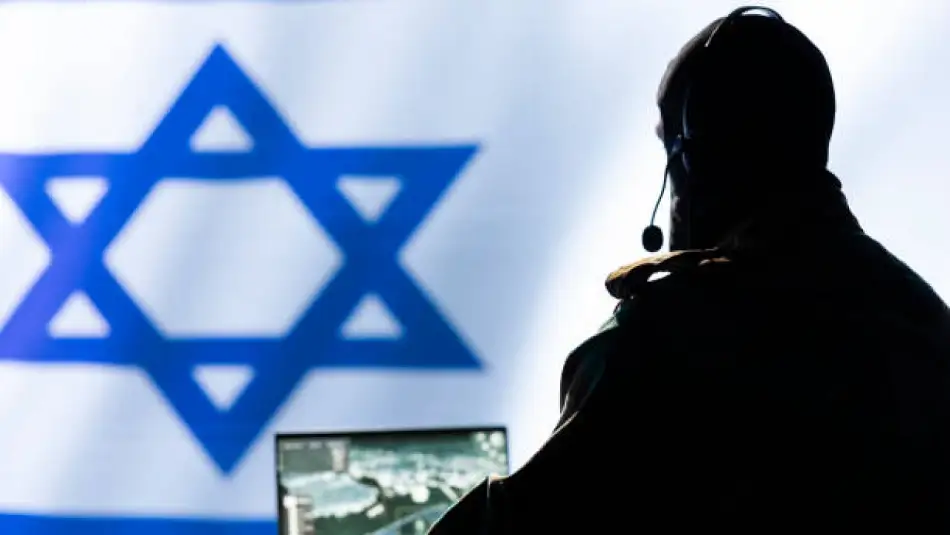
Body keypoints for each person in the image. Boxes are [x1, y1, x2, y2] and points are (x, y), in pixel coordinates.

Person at [427, 6, 950, 533]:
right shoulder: (926, 320)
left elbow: (523, 521)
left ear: (693, 158)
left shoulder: (667, 337)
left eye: (670, 150)